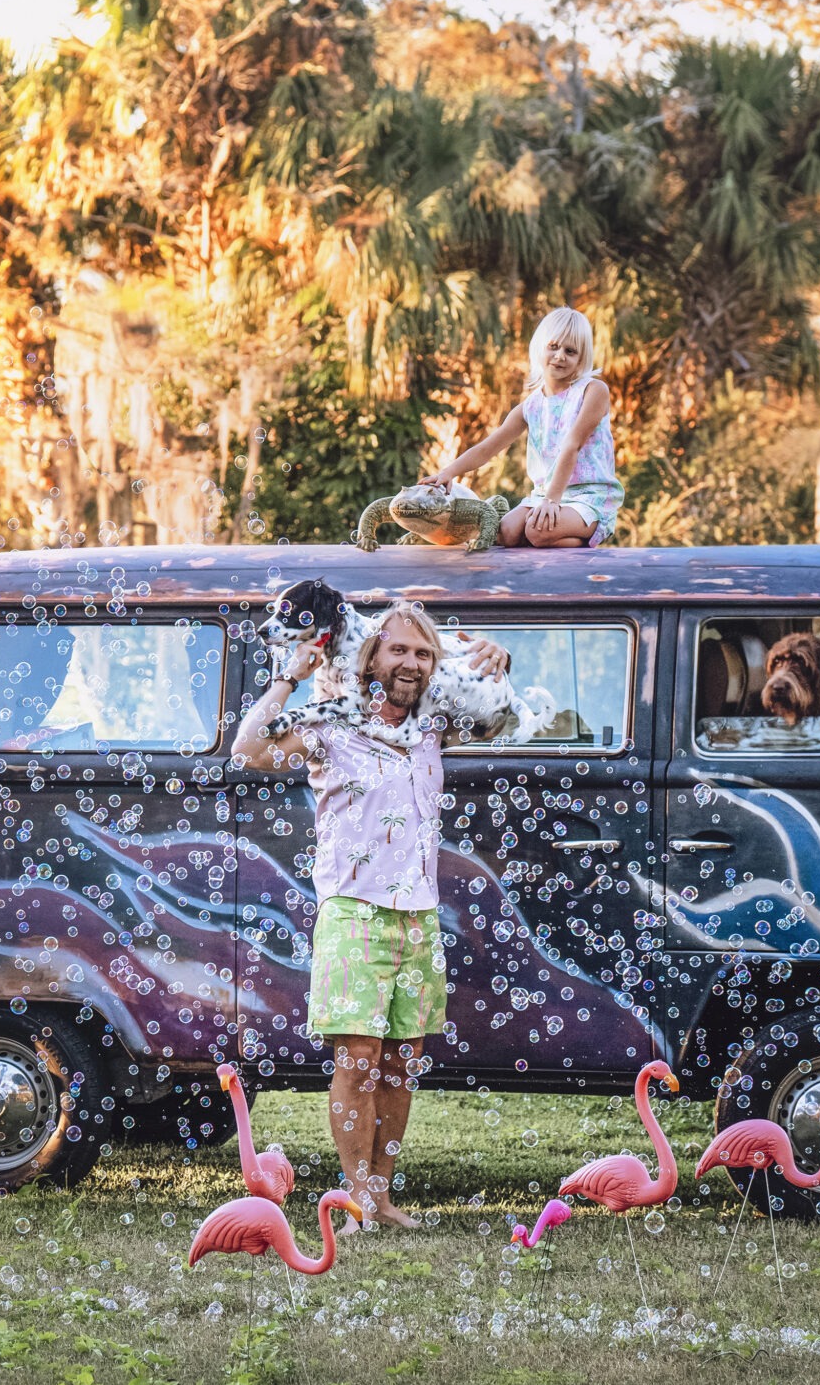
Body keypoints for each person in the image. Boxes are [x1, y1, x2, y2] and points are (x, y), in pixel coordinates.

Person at [229, 598, 512, 1229]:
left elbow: (502, 719)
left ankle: (381, 1196)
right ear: (371, 656)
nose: (410, 663)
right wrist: (287, 677)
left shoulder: (434, 725)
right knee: (358, 1062)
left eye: (423, 653)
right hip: (355, 913)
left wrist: (497, 661)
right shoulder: (332, 722)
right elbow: (247, 751)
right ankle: (357, 1201)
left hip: (419, 914)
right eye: (398, 650)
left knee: (400, 1065)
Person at [419, 306, 623, 548]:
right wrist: (447, 473)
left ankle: (587, 537)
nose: (560, 356)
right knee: (506, 532)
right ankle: (546, 538)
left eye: (570, 351)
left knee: (537, 531)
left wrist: (552, 500)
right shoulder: (532, 406)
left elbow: (572, 445)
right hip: (545, 494)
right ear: (540, 347)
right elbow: (488, 448)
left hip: (589, 496)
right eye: (554, 347)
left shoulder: (593, 391)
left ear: (581, 358)